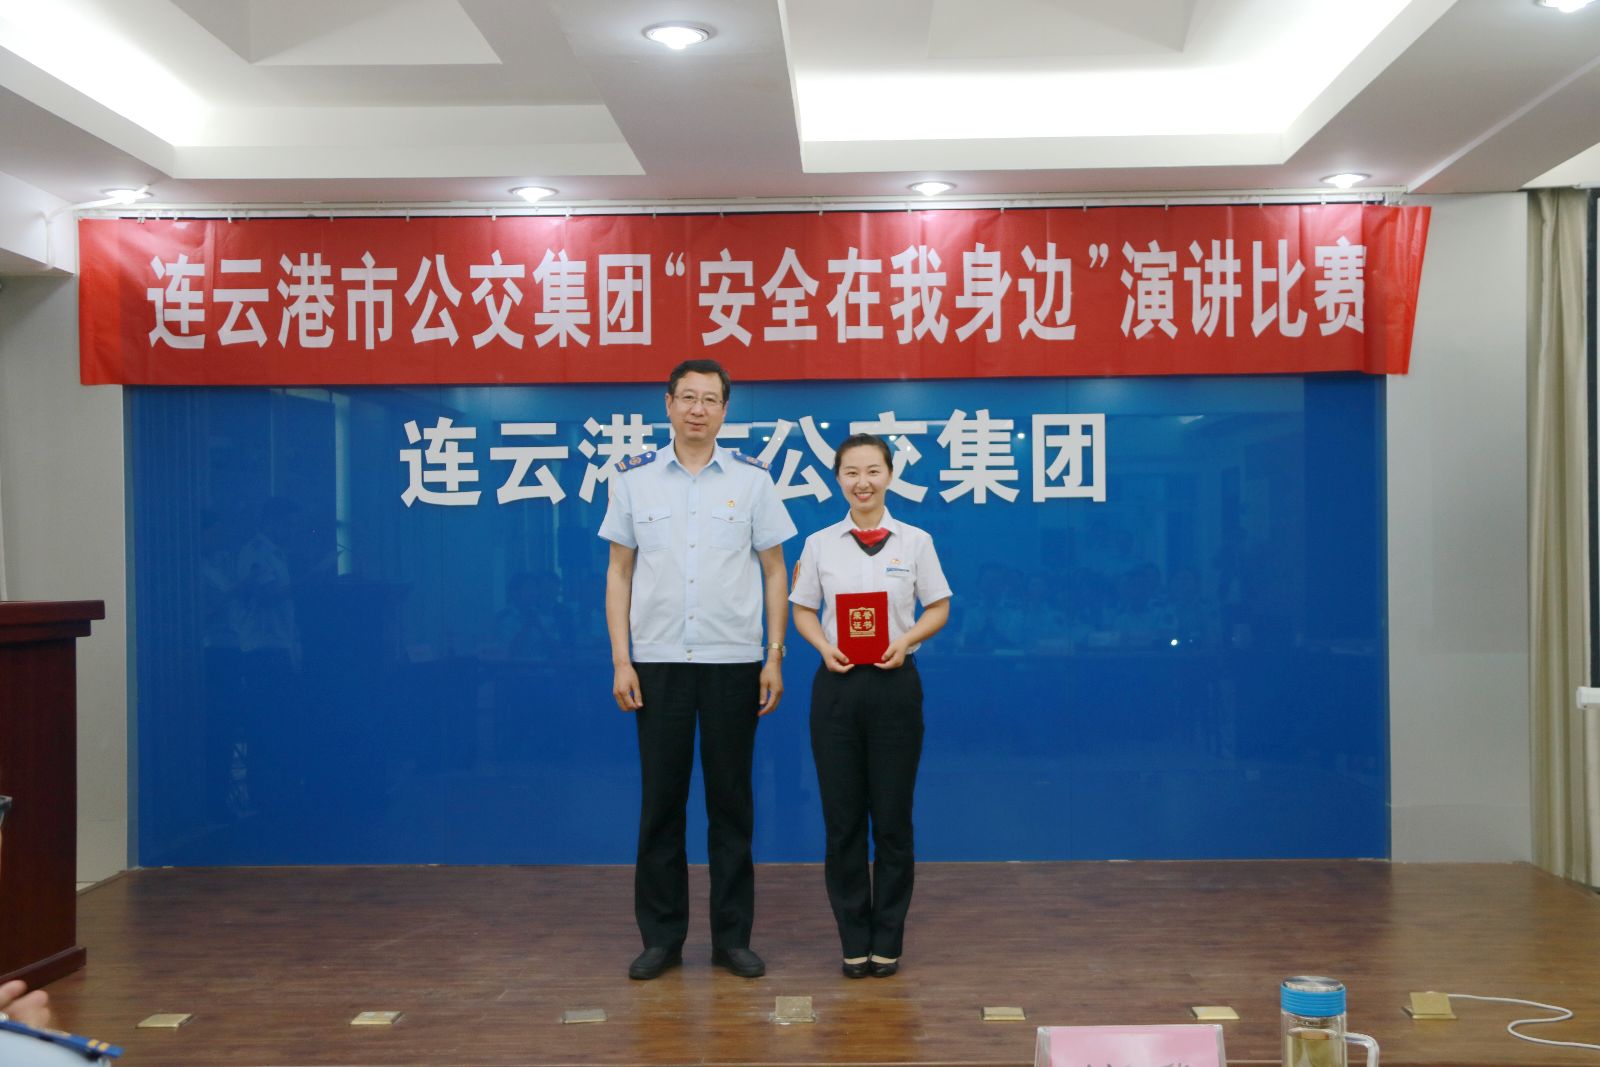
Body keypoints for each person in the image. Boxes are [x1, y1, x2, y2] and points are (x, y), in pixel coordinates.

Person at [599, 358, 797, 980]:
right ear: (667, 403)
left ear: (724, 410)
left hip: (733, 663)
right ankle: (661, 939)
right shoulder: (634, 481)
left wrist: (773, 654)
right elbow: (619, 573)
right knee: (661, 805)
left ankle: (731, 940)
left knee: (731, 805)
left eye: (710, 400)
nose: (697, 409)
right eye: (687, 397)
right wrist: (621, 660)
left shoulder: (753, 481)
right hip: (657, 664)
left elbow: (774, 571)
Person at [789, 434, 952, 978]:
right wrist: (822, 645)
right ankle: (853, 939)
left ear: (889, 476)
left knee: (892, 819)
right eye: (852, 472)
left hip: (894, 686)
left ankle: (888, 939)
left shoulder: (916, 541)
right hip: (837, 687)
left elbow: (939, 606)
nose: (863, 482)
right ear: (838, 479)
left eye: (873, 471)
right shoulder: (819, 544)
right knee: (842, 821)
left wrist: (906, 640)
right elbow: (803, 609)